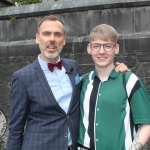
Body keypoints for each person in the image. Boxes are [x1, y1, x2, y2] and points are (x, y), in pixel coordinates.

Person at [6, 15, 128, 150]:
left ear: (64, 40)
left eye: (57, 35)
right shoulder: (22, 77)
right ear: (37, 38)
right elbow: (16, 128)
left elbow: (92, 83)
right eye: (46, 34)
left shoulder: (73, 67)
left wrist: (116, 69)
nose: (52, 39)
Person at [77, 24, 150, 150]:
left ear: (116, 49)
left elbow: (147, 123)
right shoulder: (82, 82)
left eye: (107, 46)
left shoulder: (130, 81)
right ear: (89, 48)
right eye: (96, 46)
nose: (101, 51)